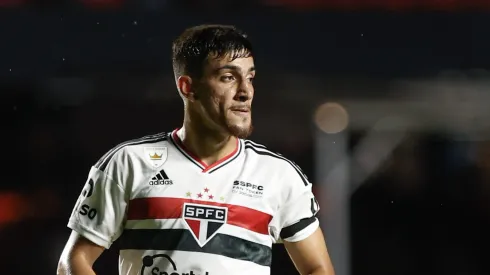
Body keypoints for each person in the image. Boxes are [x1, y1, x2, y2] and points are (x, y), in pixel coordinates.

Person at [57, 24, 335, 275]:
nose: (245, 91)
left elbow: (317, 268)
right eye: (228, 77)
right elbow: (74, 261)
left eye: (250, 77)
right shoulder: (129, 163)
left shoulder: (279, 175)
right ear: (188, 87)